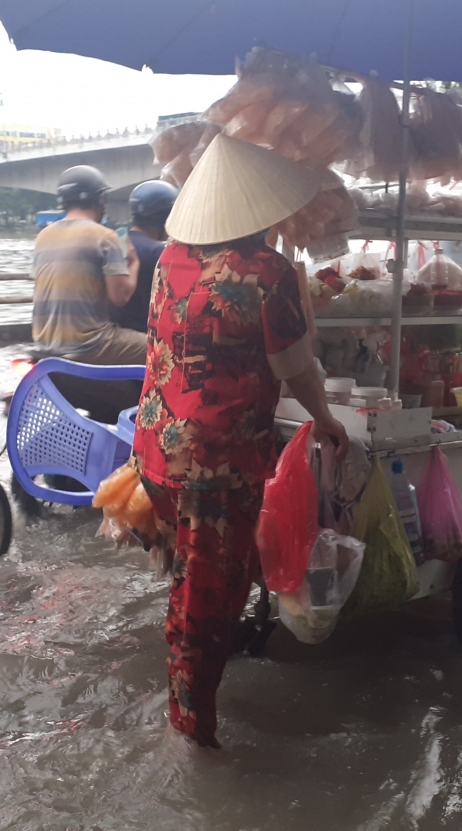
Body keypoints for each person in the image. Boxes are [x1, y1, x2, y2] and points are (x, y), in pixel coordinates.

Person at [131, 135, 348, 748]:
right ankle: (193, 733)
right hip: (216, 461)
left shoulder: (170, 258)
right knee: (204, 597)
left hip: (156, 449)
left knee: (198, 576)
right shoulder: (266, 273)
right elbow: (295, 368)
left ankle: (199, 671)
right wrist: (326, 418)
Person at [32, 165, 145, 423]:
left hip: (46, 343)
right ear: (99, 199)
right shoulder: (106, 236)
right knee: (165, 350)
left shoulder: (44, 236)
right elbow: (120, 297)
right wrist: (134, 263)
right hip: (91, 344)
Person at [108, 180, 177, 334]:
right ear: (165, 218)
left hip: (114, 334)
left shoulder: (116, 245)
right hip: (145, 336)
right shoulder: (160, 253)